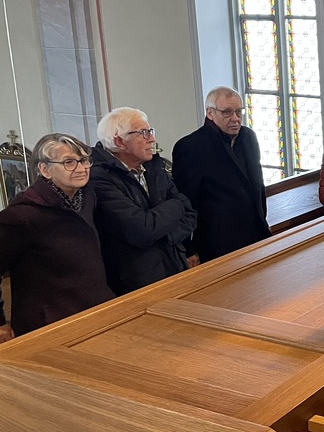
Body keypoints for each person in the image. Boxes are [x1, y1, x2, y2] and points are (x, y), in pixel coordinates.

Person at [0, 134, 116, 341]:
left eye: (84, 160)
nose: (81, 168)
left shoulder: (87, 197)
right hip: (51, 322)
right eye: (69, 162)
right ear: (45, 169)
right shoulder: (22, 215)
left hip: (95, 309)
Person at [90, 108, 197, 295]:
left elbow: (190, 214)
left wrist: (161, 235)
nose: (152, 139)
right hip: (137, 281)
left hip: (173, 266)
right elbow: (142, 230)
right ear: (119, 141)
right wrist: (176, 205)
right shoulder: (100, 178)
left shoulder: (153, 167)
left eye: (150, 131)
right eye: (143, 133)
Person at [173, 86, 271, 263]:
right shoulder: (191, 147)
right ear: (210, 113)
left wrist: (263, 221)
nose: (235, 118)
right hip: (218, 244)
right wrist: (189, 249)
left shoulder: (248, 137)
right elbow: (184, 202)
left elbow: (258, 185)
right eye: (227, 112)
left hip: (256, 235)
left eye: (239, 112)